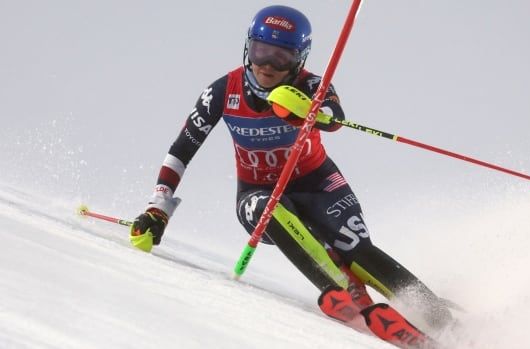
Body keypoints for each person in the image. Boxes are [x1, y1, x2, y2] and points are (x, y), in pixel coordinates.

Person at [130, 5, 452, 330]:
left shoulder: (311, 84)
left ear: (298, 58)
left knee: (354, 247)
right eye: (260, 51)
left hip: (318, 183)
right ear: (247, 47)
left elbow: (334, 114)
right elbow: (182, 148)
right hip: (258, 192)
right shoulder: (221, 92)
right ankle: (339, 287)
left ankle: (438, 316)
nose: (267, 65)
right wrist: (159, 207)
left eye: (280, 57)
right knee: (268, 208)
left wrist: (311, 111)